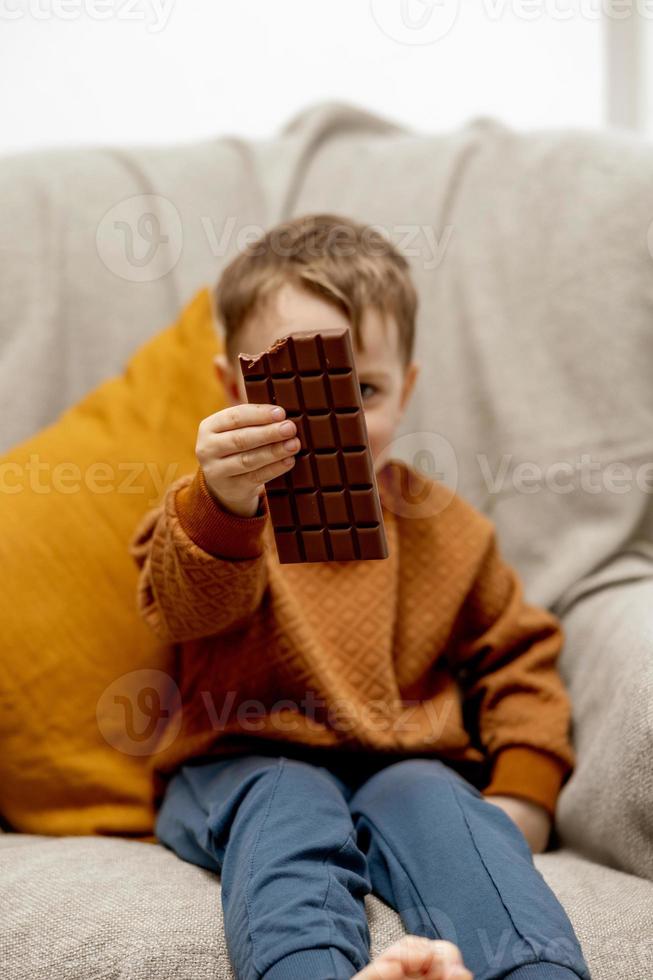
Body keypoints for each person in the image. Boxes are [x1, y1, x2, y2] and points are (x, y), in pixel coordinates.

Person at [128, 213, 592, 980]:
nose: (333, 419)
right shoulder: (211, 514)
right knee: (288, 804)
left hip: (402, 762)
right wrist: (223, 502)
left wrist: (522, 796)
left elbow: (520, 658)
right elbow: (184, 610)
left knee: (447, 810)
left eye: (364, 389)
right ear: (230, 387)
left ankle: (534, 970)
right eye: (300, 392)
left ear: (404, 391)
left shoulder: (445, 531)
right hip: (236, 763)